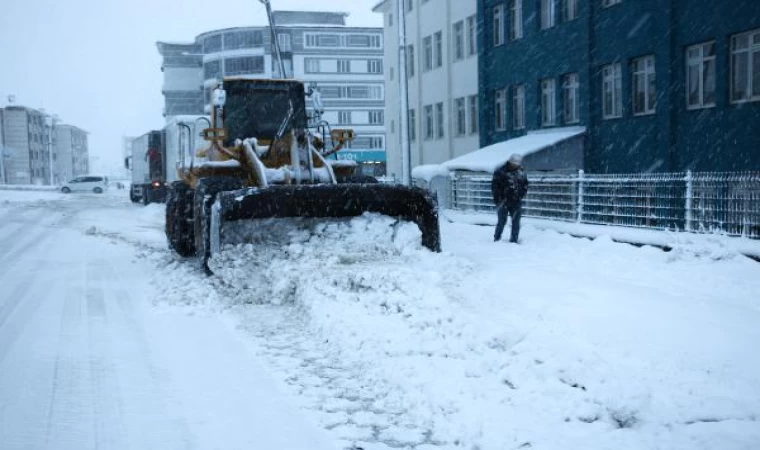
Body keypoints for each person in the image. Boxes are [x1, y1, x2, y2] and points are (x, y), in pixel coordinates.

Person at [491, 153, 529, 243]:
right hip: (502, 201)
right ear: (510, 162)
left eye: (517, 164)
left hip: (516, 201)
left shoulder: (521, 172)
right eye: (514, 164)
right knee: (501, 221)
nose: (515, 166)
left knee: (516, 222)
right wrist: (498, 200)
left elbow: (525, 185)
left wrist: (520, 195)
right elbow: (494, 188)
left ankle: (514, 240)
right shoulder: (500, 172)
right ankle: (497, 238)